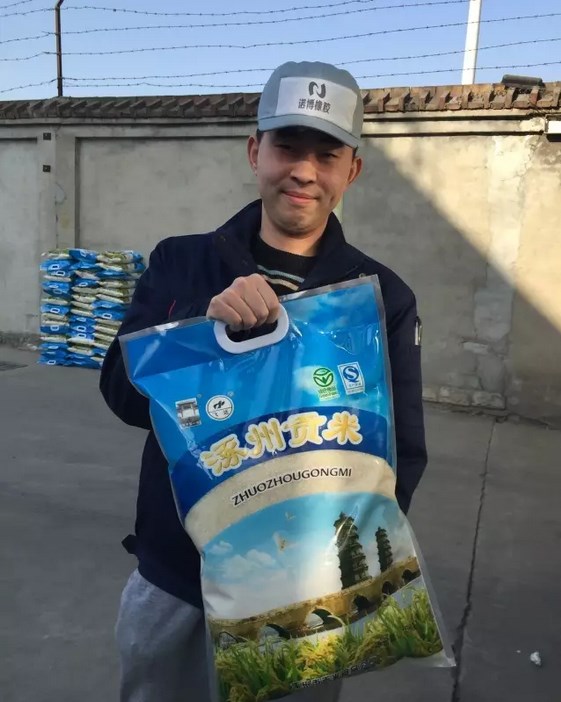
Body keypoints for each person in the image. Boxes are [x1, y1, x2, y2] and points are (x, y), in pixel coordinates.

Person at [100, 60, 427, 702]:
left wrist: (343, 568)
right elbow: (121, 392)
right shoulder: (180, 262)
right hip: (176, 582)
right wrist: (201, 332)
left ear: (352, 171)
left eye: (326, 155)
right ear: (256, 151)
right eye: (287, 147)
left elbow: (400, 454)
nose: (303, 171)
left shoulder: (380, 299)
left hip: (307, 597)